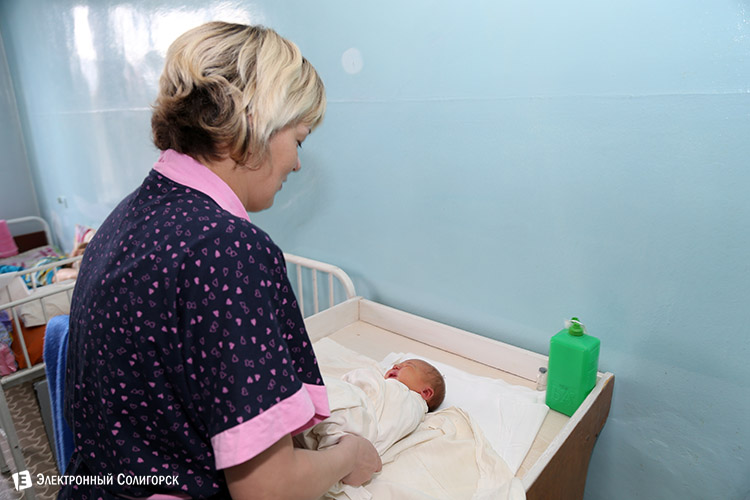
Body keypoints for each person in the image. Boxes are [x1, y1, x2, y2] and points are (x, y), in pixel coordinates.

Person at [60, 21, 380, 500]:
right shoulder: (226, 250)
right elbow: (267, 490)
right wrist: (349, 456)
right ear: (252, 122)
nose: (297, 163)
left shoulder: (128, 217)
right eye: (299, 139)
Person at [296, 360, 445, 499]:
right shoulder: (408, 406)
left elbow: (365, 383)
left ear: (426, 393)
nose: (395, 366)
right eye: (395, 365)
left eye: (407, 366)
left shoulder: (405, 397)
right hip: (359, 427)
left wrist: (366, 376)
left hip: (354, 422)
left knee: (334, 403)